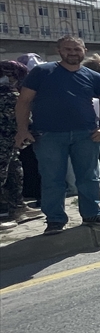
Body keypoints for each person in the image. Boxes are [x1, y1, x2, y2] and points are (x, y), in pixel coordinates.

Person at [14, 35, 100, 235]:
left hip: (86, 135)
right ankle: (55, 220)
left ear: (84, 50)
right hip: (49, 136)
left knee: (89, 177)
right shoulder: (42, 72)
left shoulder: (92, 76)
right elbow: (24, 102)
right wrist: (22, 129)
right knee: (53, 179)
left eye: (77, 49)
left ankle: (92, 214)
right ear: (59, 51)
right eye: (68, 49)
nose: (73, 53)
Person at [0, 59, 41, 228]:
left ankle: (18, 208)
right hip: (5, 142)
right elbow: (17, 119)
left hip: (10, 145)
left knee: (14, 174)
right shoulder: (8, 94)